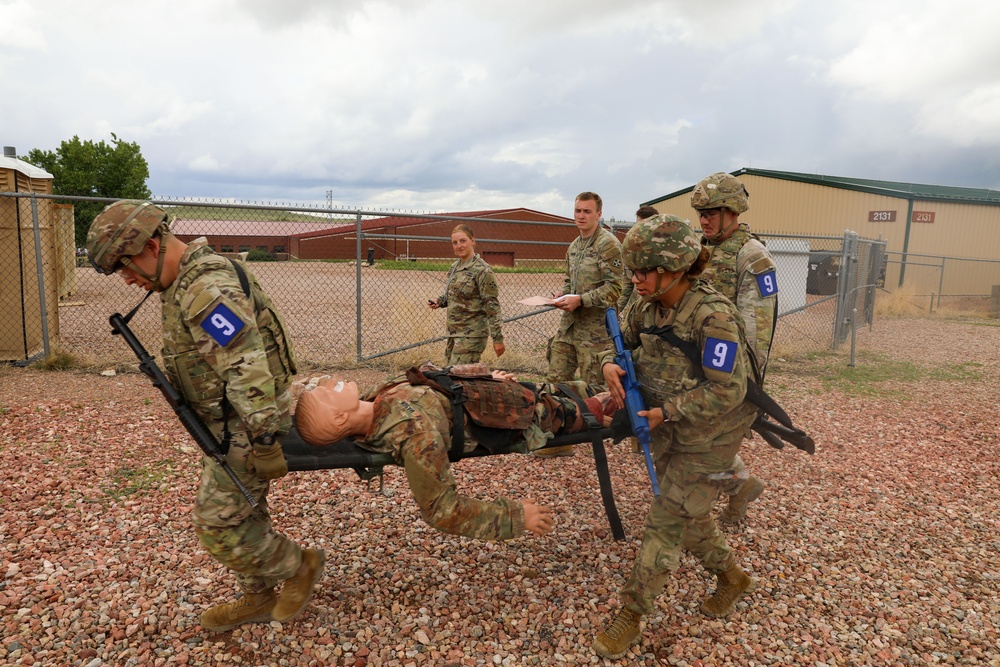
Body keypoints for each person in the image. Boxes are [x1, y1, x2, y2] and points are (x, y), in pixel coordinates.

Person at [86, 200, 325, 633]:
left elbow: (245, 365)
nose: (126, 278)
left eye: (125, 265)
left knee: (216, 525)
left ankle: (298, 566)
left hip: (247, 426)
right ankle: (257, 597)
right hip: (230, 421)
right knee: (245, 512)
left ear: (151, 246)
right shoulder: (183, 279)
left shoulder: (203, 287)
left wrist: (266, 440)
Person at [591, 215, 758, 659]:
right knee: (690, 516)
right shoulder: (646, 305)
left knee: (665, 519)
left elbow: (729, 389)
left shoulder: (713, 317)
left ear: (672, 270)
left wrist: (670, 411)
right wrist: (609, 363)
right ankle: (732, 577)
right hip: (664, 424)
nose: (635, 279)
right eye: (633, 271)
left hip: (710, 434)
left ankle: (632, 612)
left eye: (642, 271)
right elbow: (619, 341)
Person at [294, 365, 615, 541]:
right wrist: (514, 517)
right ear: (339, 417)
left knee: (585, 384)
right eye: (326, 393)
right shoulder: (413, 433)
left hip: (508, 393)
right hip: (533, 415)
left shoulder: (374, 399)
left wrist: (485, 379)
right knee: (603, 407)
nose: (330, 383)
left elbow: (436, 379)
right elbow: (442, 509)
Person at [690, 172, 778, 524]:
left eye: (712, 212)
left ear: (732, 211)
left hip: (725, 373)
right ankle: (740, 486)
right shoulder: (703, 250)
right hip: (694, 365)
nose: (704, 220)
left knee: (700, 447)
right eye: (701, 213)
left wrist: (744, 388)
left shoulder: (753, 256)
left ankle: (694, 515)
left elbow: (757, 332)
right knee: (692, 442)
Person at [541, 192, 623, 457]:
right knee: (556, 381)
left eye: (587, 212)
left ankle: (625, 432)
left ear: (599, 214)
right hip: (569, 327)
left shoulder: (608, 245)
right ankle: (560, 441)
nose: (581, 216)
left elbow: (615, 288)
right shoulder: (575, 246)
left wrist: (582, 300)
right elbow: (569, 282)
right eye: (577, 211)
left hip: (596, 333)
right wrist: (561, 296)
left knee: (597, 390)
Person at [428, 223, 505, 364]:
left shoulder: (482, 270)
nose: (459, 246)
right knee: (451, 376)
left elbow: (492, 307)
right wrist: (440, 301)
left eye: (463, 241)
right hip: (454, 333)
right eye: (455, 243)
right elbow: (453, 295)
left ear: (473, 241)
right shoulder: (455, 266)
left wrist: (498, 339)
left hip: (472, 335)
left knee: (459, 379)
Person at [616, 205, 660, 312]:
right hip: (636, 307)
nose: (640, 230)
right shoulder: (631, 249)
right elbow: (626, 286)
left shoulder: (661, 251)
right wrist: (616, 311)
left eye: (644, 225)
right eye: (639, 225)